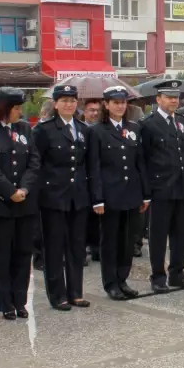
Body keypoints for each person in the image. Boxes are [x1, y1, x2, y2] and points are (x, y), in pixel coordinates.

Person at [0, 88, 40, 319]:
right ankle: (5, 303)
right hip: (0, 204)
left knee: (23, 253)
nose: (20, 113)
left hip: (25, 203)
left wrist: (24, 188)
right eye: (16, 108)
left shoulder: (24, 129)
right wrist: (9, 191)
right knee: (2, 256)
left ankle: (20, 300)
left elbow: (34, 161)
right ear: (4, 109)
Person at [32, 83, 92, 310]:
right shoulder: (44, 130)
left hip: (78, 196)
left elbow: (87, 164)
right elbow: (36, 164)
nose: (69, 104)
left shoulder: (83, 128)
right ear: (55, 104)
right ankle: (58, 295)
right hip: (53, 196)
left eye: (72, 100)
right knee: (54, 247)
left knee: (77, 247)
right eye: (64, 100)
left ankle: (76, 292)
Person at [88, 85, 149, 300]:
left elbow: (139, 162)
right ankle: (110, 283)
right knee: (110, 241)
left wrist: (145, 194)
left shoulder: (134, 128)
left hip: (131, 193)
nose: (120, 106)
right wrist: (97, 198)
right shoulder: (96, 131)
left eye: (123, 102)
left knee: (128, 241)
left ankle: (123, 279)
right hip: (110, 195)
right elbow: (94, 167)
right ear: (106, 104)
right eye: (115, 102)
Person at [140, 79, 184, 293]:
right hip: (161, 188)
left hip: (182, 187)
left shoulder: (182, 122)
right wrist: (146, 191)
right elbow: (144, 160)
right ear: (158, 99)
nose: (174, 101)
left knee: (181, 233)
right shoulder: (148, 124)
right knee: (158, 235)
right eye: (169, 97)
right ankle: (157, 275)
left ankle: (177, 272)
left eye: (176, 97)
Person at [81, 97, 102, 263]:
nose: (94, 113)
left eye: (97, 110)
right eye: (91, 110)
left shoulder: (103, 129)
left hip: (100, 178)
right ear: (84, 112)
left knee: (97, 217)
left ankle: (96, 248)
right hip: (82, 179)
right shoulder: (80, 129)